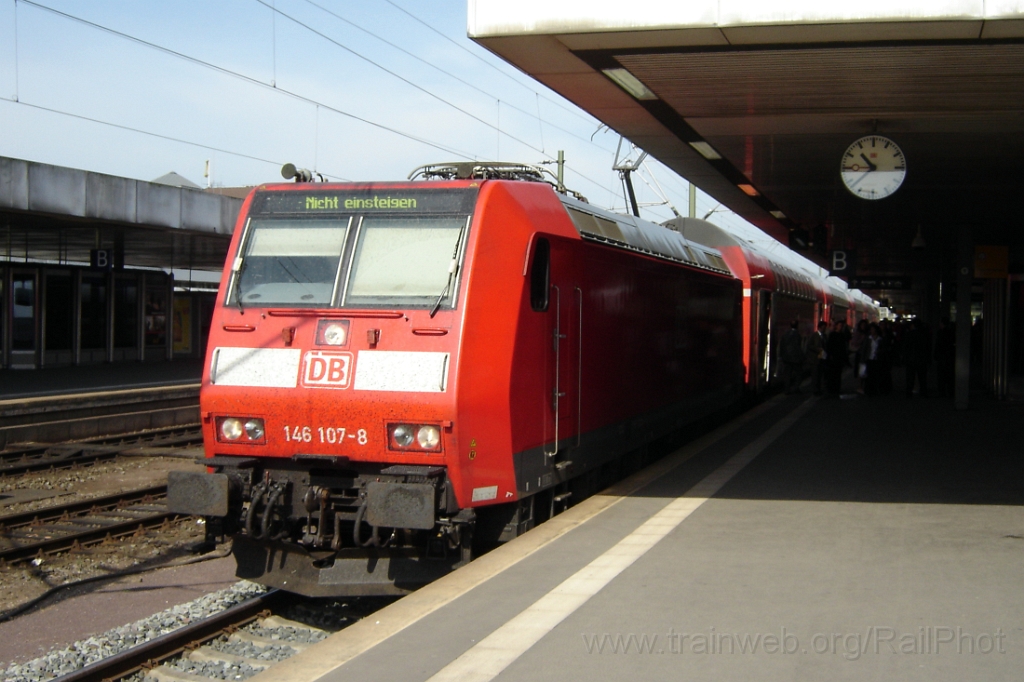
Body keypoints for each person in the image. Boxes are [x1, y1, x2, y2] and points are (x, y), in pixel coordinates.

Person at [903, 318, 932, 396]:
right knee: (922, 377)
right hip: (922, 358)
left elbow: (906, 347)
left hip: (911, 358)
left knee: (910, 377)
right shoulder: (925, 334)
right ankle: (923, 392)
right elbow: (928, 347)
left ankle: (909, 392)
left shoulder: (909, 334)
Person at [823, 319, 849, 395]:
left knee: (837, 375)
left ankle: (835, 389)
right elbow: (829, 347)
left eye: (842, 326)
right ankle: (832, 389)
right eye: (839, 325)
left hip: (838, 358)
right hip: (833, 358)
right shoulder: (833, 335)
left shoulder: (841, 335)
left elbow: (844, 348)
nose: (841, 327)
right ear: (836, 326)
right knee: (833, 375)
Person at [780, 320, 805, 394]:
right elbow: (799, 347)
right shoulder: (797, 335)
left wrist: (782, 356)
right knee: (799, 374)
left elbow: (782, 346)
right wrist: (802, 357)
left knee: (787, 375)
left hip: (787, 358)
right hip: (795, 359)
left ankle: (787, 389)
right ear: (797, 326)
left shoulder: (785, 334)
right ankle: (796, 388)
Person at [805, 320, 827, 395]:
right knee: (815, 376)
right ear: (820, 328)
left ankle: (819, 389)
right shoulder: (814, 336)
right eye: (823, 328)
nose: (824, 329)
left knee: (820, 375)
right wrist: (817, 349)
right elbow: (809, 346)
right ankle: (815, 390)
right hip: (815, 359)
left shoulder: (824, 336)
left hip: (822, 359)